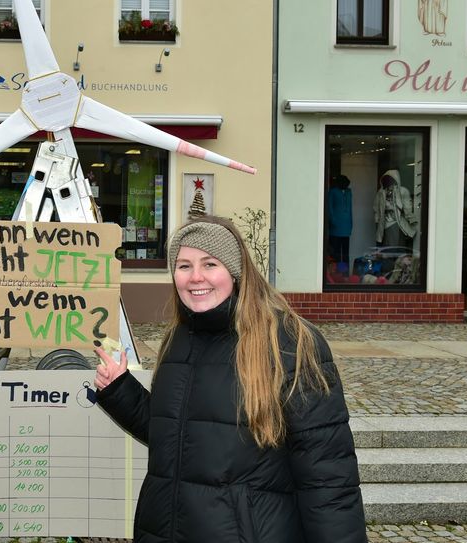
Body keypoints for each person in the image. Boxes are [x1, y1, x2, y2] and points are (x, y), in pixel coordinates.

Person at [93, 216, 366, 542]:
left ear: (235, 272)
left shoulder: (289, 342)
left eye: (209, 264)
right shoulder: (179, 337)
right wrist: (120, 389)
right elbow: (178, 438)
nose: (195, 277)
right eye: (183, 266)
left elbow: (328, 477)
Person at [373, 169, 416, 246]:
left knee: (397, 246)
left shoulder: (402, 191)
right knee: (389, 246)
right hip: (385, 223)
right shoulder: (381, 193)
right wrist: (377, 221)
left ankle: (397, 257)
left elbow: (407, 207)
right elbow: (376, 208)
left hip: (398, 223)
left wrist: (411, 218)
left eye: (390, 180)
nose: (389, 184)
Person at [327, 174, 353, 272]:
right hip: (335, 229)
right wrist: (333, 221)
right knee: (336, 253)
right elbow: (329, 208)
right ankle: (337, 273)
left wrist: (351, 223)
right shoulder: (333, 192)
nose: (346, 185)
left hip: (346, 227)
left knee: (345, 253)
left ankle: (345, 274)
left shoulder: (349, 192)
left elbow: (350, 208)